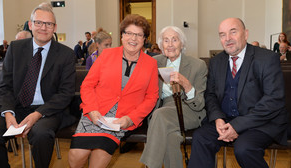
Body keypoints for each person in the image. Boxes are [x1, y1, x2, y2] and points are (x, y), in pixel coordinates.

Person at [188, 18, 288, 168]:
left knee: (244, 148)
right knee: (201, 138)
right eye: (222, 35)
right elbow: (210, 95)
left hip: (261, 122)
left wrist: (237, 126)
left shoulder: (266, 58)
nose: (227, 38)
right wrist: (218, 119)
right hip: (226, 120)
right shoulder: (216, 62)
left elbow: (273, 100)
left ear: (245, 34)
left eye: (233, 32)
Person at [68, 14, 159, 168]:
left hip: (122, 118)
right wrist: (91, 109)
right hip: (95, 111)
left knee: (100, 156)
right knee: (77, 154)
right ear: (122, 36)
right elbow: (87, 85)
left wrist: (131, 118)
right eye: (129, 33)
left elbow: (152, 97)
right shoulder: (107, 55)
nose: (133, 38)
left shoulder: (151, 63)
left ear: (144, 39)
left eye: (138, 35)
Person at [0, 4, 76, 168]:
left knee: (41, 134)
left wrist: (38, 114)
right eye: (38, 23)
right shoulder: (15, 48)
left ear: (55, 28)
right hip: (16, 107)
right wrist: (8, 113)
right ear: (30, 25)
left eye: (49, 24)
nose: (43, 28)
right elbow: (4, 86)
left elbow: (65, 93)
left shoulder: (66, 54)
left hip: (48, 110)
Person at [140, 26, 207, 168]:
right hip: (164, 108)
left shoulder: (198, 65)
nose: (170, 44)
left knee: (159, 115)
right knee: (171, 138)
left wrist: (186, 84)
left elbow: (200, 103)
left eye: (174, 40)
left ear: (181, 44)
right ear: (161, 45)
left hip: (188, 110)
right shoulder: (154, 62)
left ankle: (150, 165)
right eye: (166, 40)